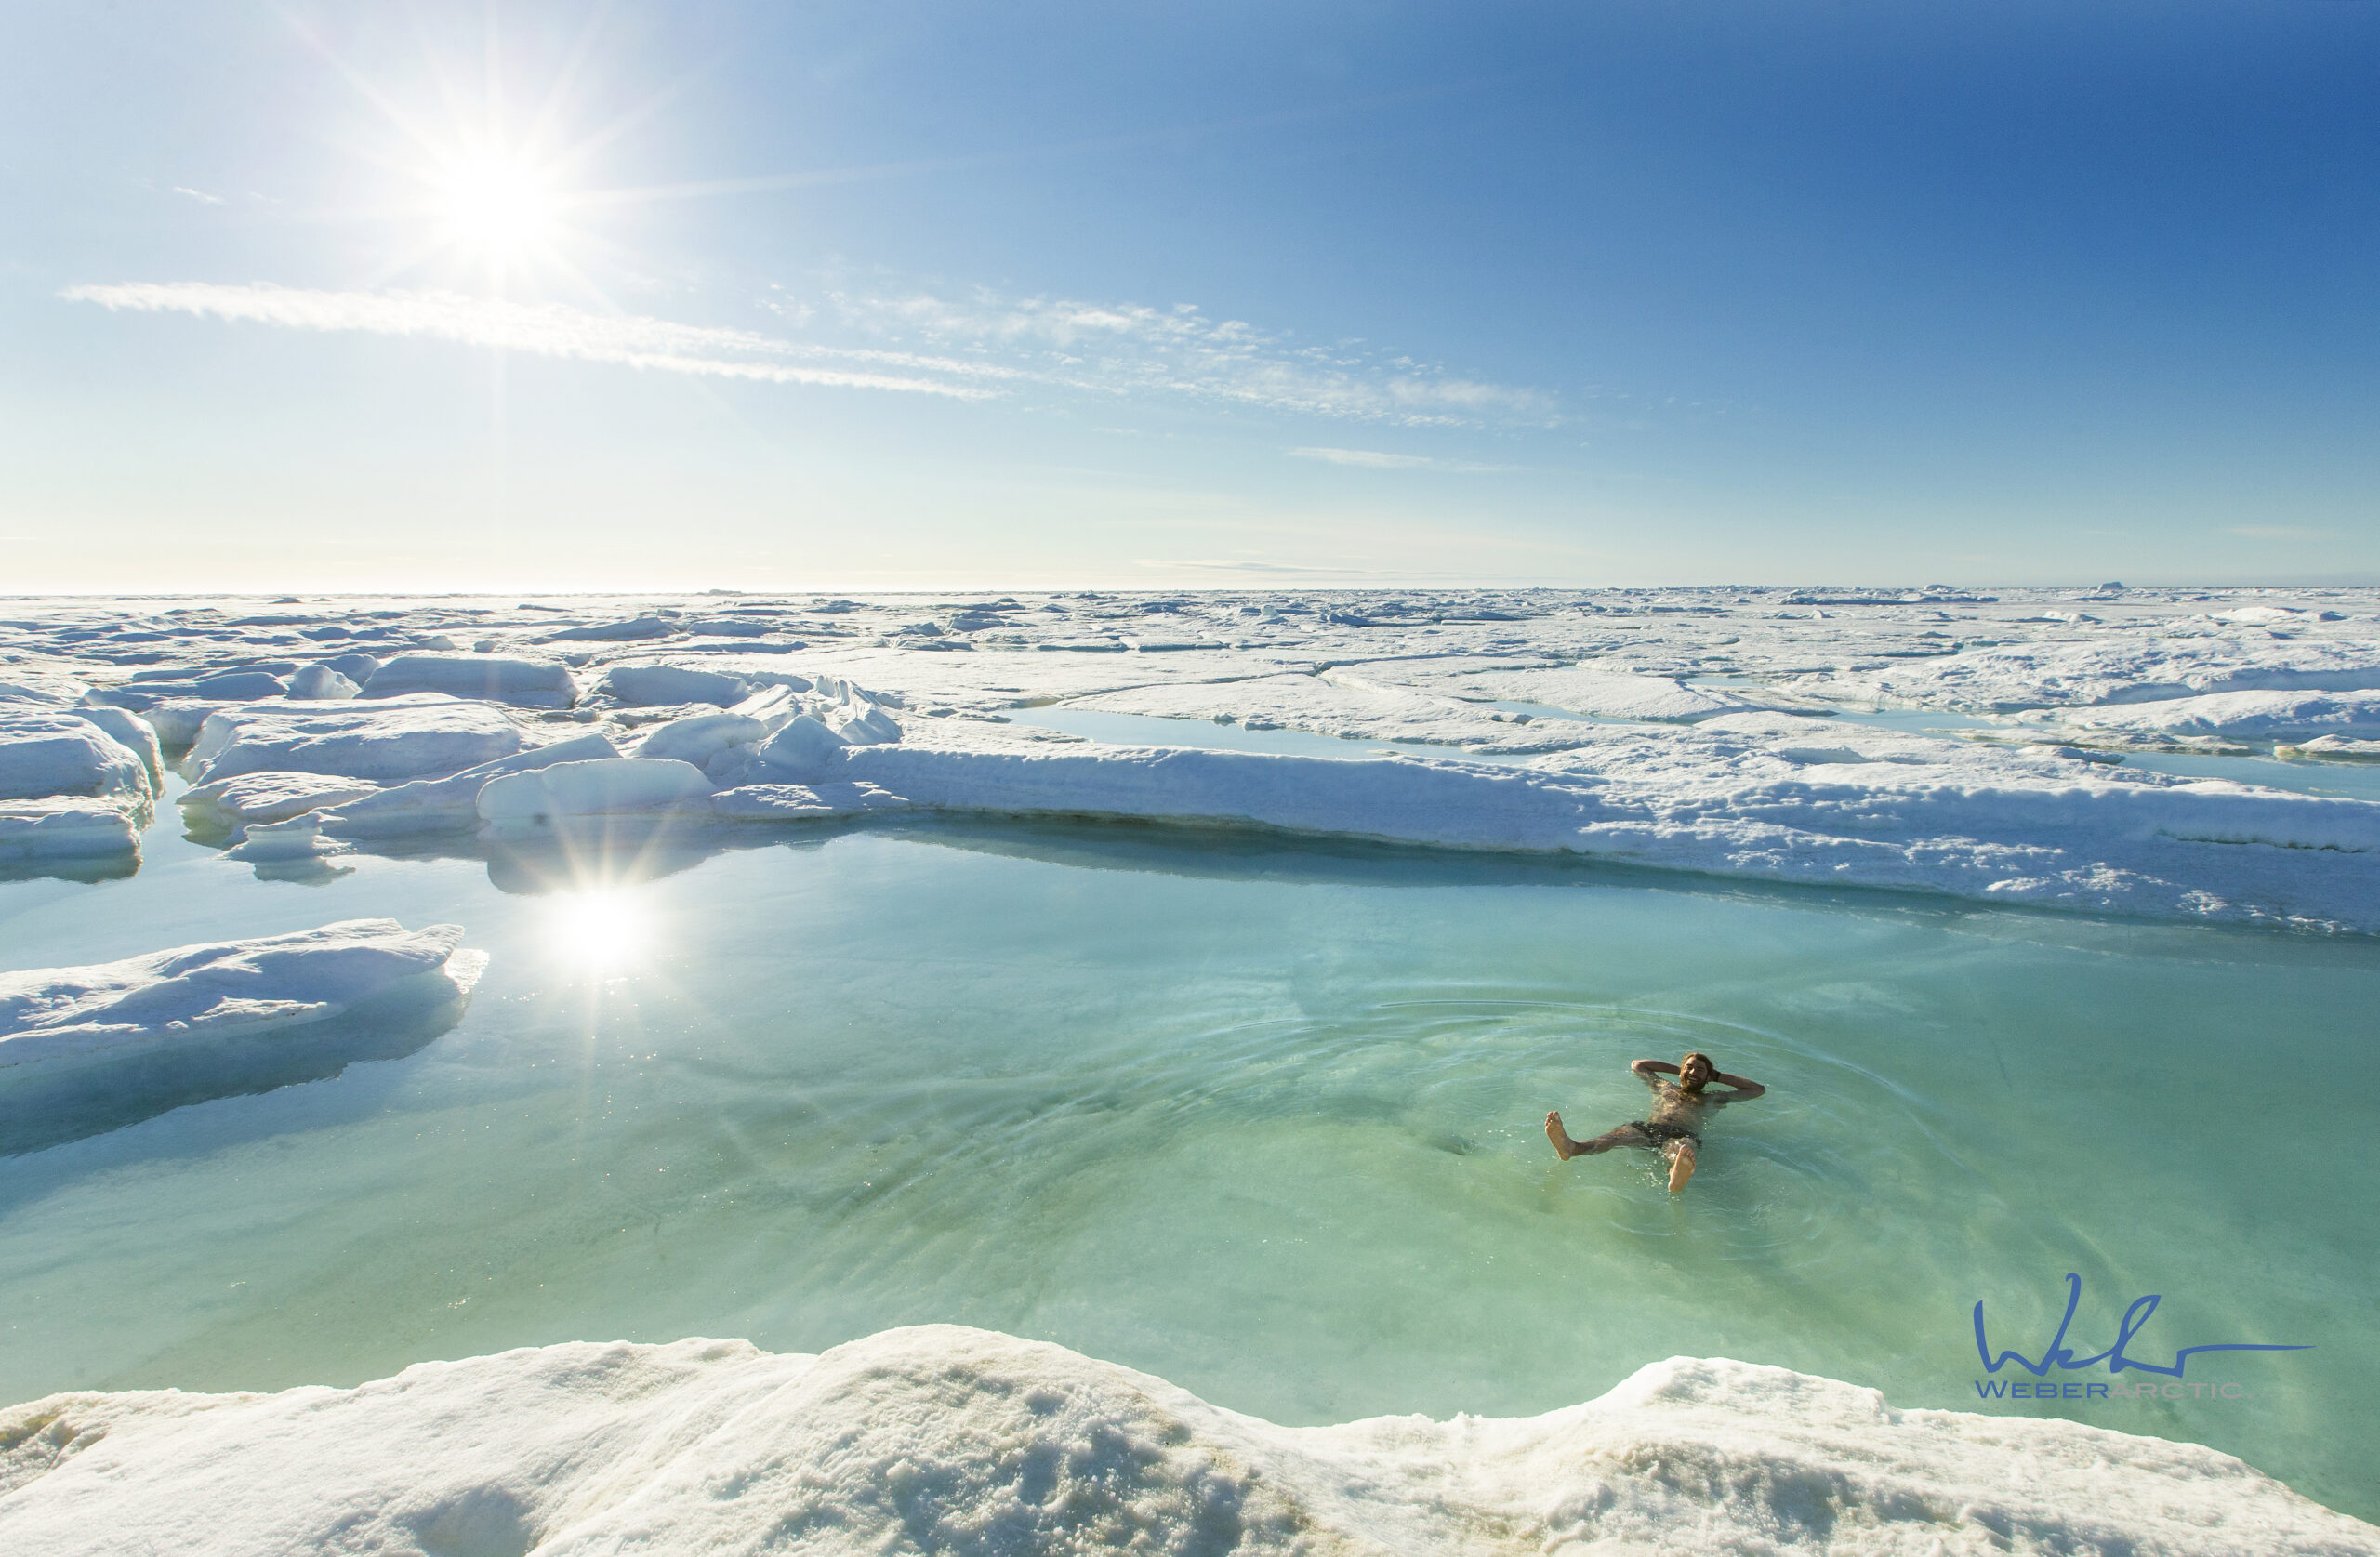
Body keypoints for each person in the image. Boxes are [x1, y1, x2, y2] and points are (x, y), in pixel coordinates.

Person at [1545, 1050, 1765, 1193]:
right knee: (1613, 1138)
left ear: (1708, 1077)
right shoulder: (1664, 1086)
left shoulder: (1713, 1098)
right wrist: (1679, 1069)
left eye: (1700, 1070)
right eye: (1689, 1067)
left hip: (1682, 1133)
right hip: (1649, 1128)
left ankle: (1675, 1176)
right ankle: (1572, 1148)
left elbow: (1757, 1090)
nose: (1693, 1071)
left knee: (1681, 1149)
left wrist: (1716, 1076)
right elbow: (1638, 1064)